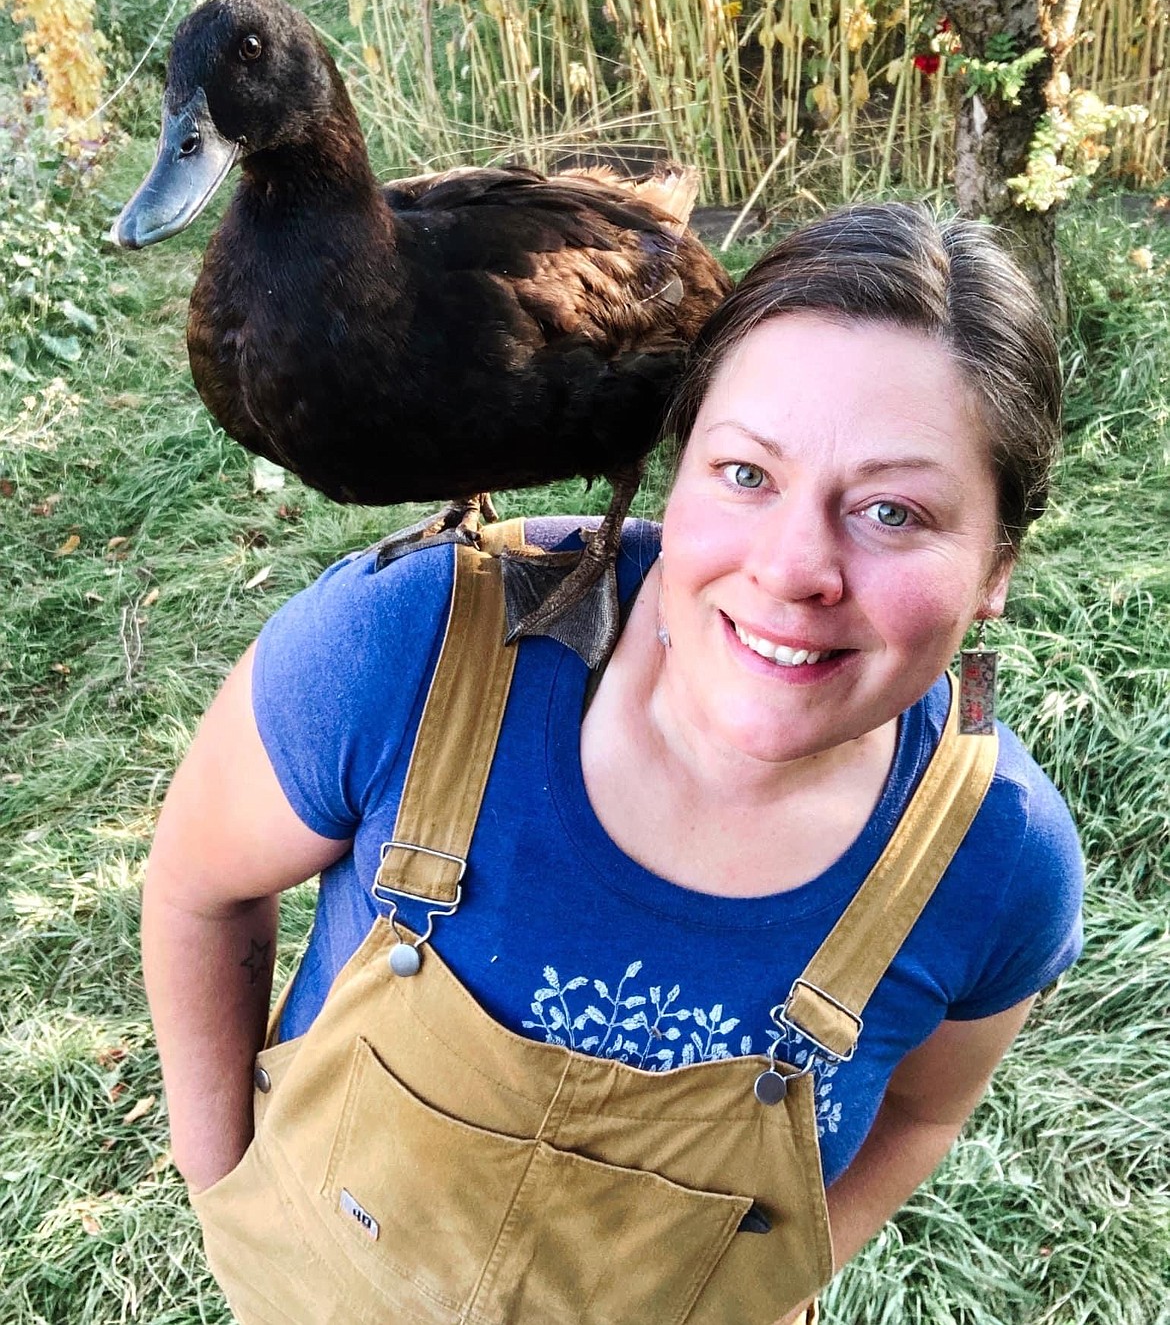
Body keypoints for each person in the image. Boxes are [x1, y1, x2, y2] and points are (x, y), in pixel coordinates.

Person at [142, 202, 1083, 1325]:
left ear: (995, 569)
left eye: (892, 510)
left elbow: (922, 1118)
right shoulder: (406, 650)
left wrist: (767, 1287)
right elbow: (199, 888)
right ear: (674, 467)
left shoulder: (997, 868)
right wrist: (222, 1185)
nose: (793, 568)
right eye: (745, 473)